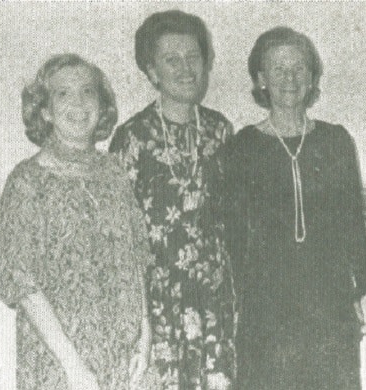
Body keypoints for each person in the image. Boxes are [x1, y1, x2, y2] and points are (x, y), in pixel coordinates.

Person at [223, 26, 366, 390]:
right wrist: (233, 308)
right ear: (261, 79)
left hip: (330, 308)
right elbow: (232, 239)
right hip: (266, 312)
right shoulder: (242, 147)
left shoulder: (336, 140)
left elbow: (353, 225)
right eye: (278, 69)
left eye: (299, 68)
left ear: (311, 77)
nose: (289, 78)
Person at [0, 54, 153, 390]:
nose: (78, 103)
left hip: (122, 358)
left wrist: (145, 335)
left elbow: (136, 257)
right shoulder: (27, 182)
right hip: (61, 364)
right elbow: (22, 282)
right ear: (45, 110)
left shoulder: (114, 172)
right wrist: (74, 368)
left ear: (101, 104)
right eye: (63, 94)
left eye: (88, 92)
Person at [108, 10, 234, 390]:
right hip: (157, 306)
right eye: (171, 60)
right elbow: (118, 235)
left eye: (193, 57)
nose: (185, 68)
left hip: (215, 303)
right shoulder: (133, 138)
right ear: (151, 71)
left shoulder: (220, 130)